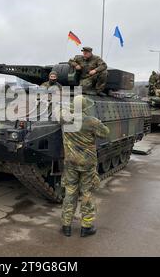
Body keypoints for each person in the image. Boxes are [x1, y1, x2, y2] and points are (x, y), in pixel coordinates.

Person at [58, 95, 110, 237]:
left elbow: (60, 112)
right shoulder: (92, 121)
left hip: (70, 162)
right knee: (87, 193)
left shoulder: (65, 119)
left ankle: (66, 225)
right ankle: (86, 227)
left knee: (70, 192)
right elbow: (105, 133)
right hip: (87, 163)